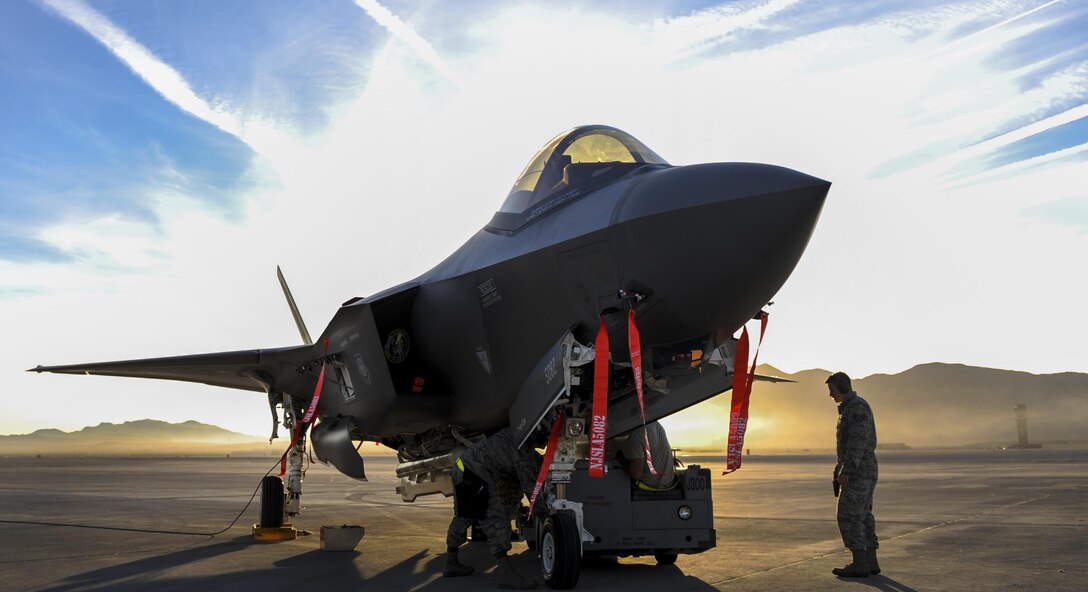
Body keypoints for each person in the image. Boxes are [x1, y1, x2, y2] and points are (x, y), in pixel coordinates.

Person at [444, 426, 542, 589]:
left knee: (465, 516)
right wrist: (544, 514)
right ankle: (505, 573)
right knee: (495, 517)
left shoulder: (515, 436)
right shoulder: (522, 449)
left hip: (463, 467)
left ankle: (451, 563)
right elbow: (530, 487)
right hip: (473, 472)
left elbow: (529, 466)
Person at [826, 371, 880, 578]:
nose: (831, 395)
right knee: (863, 515)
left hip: (859, 471)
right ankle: (870, 560)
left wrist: (847, 470)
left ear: (842, 387)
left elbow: (857, 441)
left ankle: (860, 562)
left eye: (832, 390)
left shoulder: (856, 408)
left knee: (849, 515)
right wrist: (839, 467)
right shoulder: (851, 407)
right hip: (862, 468)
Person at [616, 421, 676, 490]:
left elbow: (637, 474)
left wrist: (622, 461)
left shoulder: (636, 435)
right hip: (670, 485)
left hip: (650, 488)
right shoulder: (655, 423)